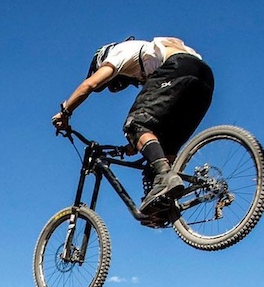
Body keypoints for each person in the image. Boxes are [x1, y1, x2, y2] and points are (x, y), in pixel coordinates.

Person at [51, 36, 214, 225]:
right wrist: (135, 144)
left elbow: (89, 85)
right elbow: (158, 115)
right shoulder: (149, 60)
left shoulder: (119, 52)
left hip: (180, 68)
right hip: (205, 80)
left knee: (134, 124)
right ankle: (164, 205)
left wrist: (65, 112)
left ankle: (165, 177)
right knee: (162, 151)